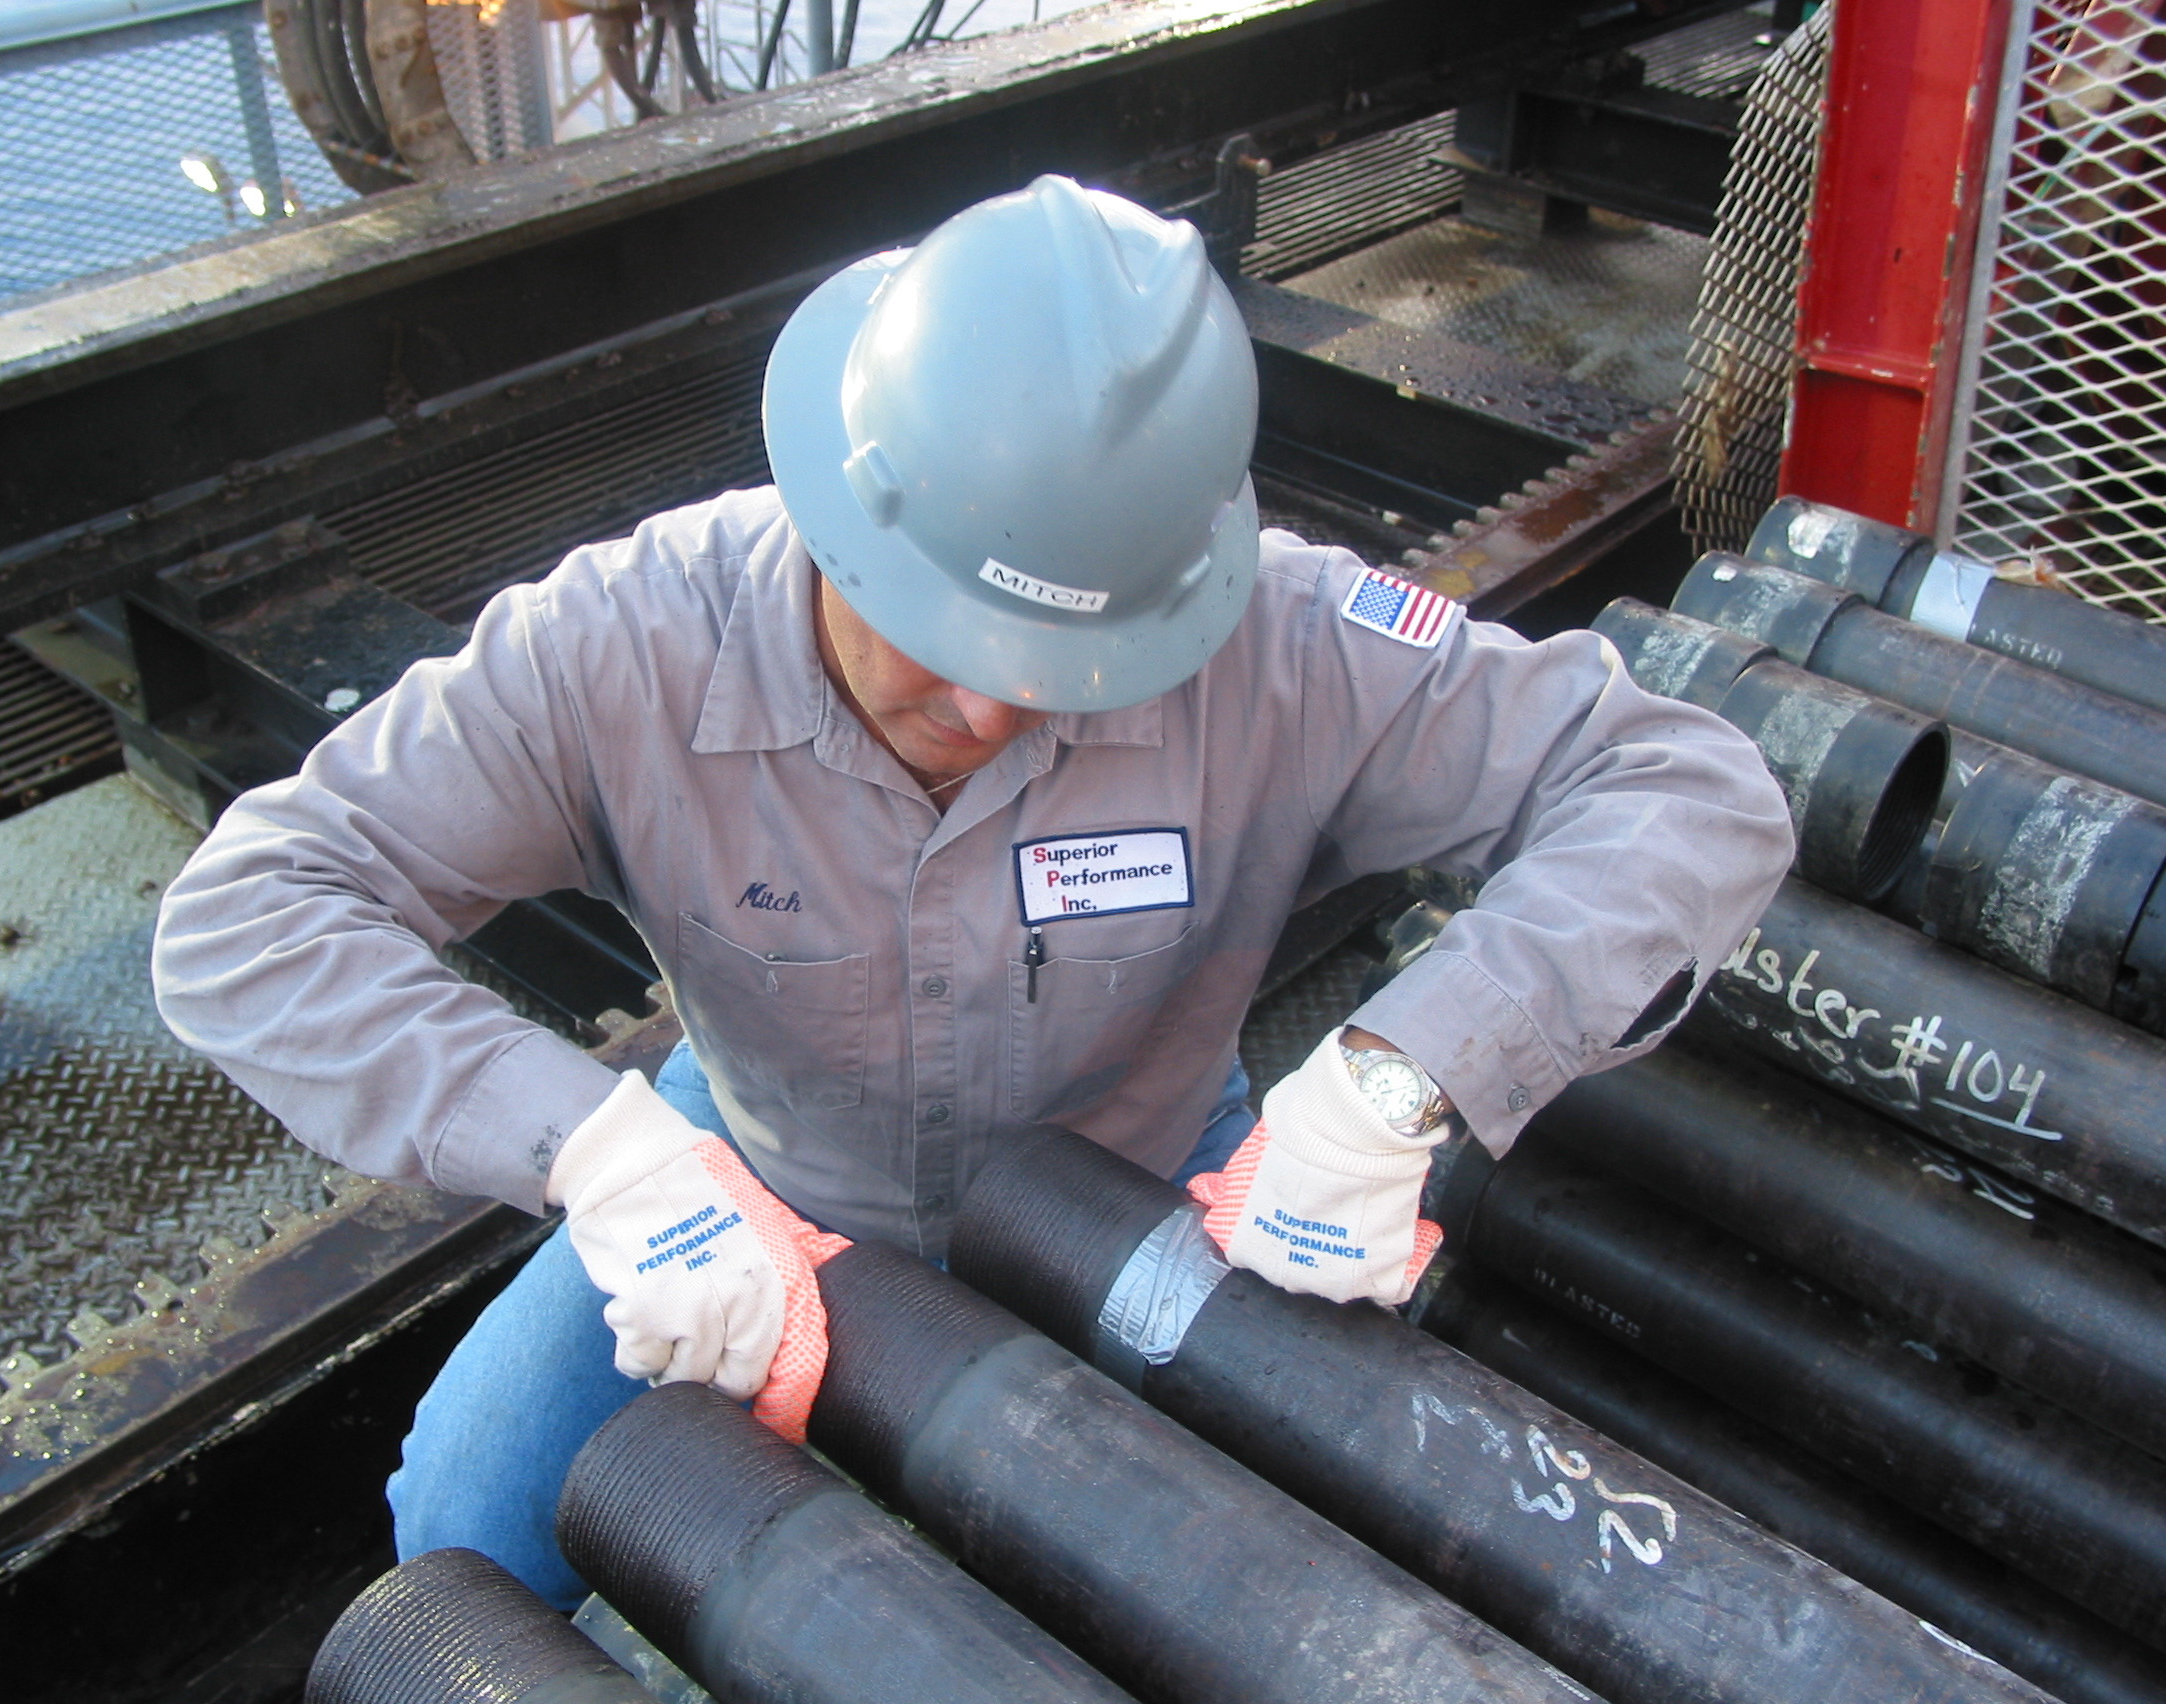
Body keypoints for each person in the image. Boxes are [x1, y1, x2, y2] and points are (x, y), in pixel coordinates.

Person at [152, 175, 1795, 1606]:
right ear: (830, 509)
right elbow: (252, 916)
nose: (1000, 709)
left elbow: (1687, 793)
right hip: (748, 1181)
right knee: (462, 1523)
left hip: (1153, 1179)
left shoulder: (1284, 642)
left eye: (1077, 664)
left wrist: (1400, 1079)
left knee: (1293, 1576)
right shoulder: (618, 645)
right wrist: (602, 1156)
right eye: (940, 640)